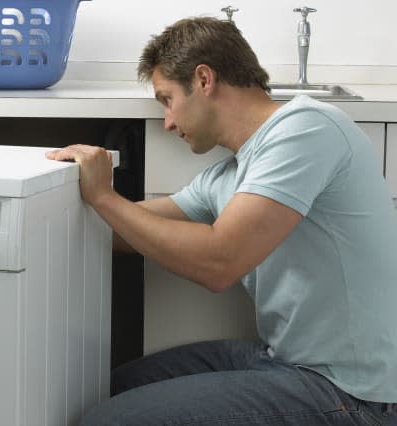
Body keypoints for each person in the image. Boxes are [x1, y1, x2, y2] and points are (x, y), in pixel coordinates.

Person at [46, 16, 397, 426]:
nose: (168, 123)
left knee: (107, 422)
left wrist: (104, 196)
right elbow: (130, 230)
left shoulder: (307, 129)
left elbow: (219, 263)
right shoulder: (226, 177)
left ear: (204, 79)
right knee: (113, 388)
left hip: (352, 393)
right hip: (284, 362)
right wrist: (39, 217)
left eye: (167, 100)